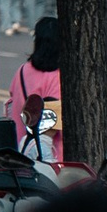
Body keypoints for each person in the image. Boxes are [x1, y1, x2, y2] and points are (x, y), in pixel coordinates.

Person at [9, 16, 63, 156]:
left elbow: (11, 103)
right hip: (51, 156)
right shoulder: (58, 77)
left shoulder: (22, 70)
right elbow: (53, 122)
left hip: (23, 149)